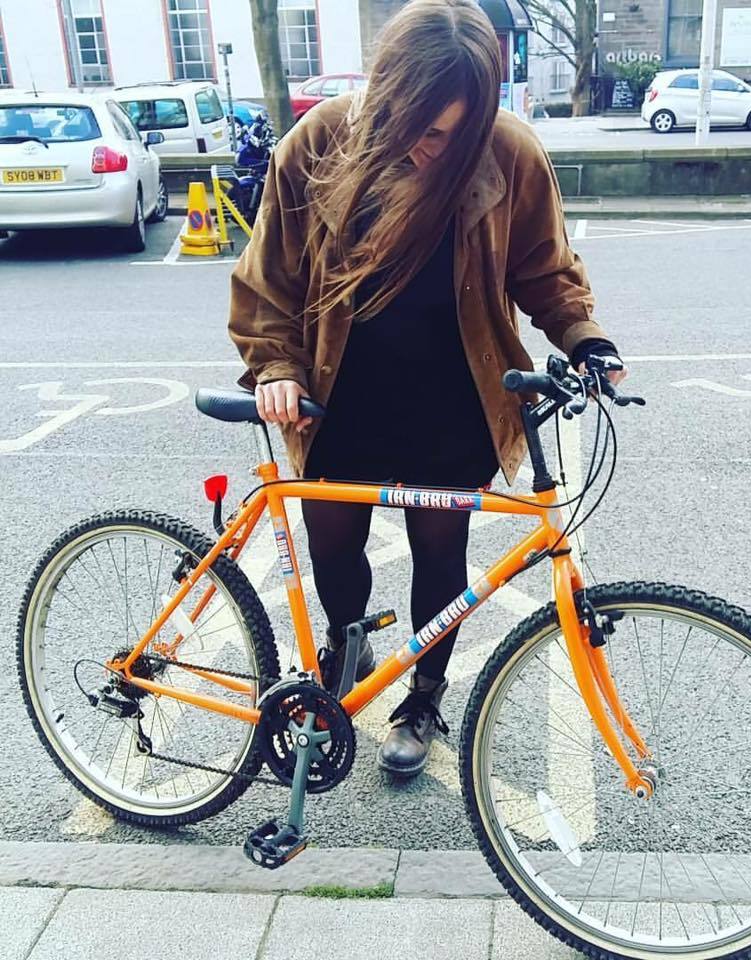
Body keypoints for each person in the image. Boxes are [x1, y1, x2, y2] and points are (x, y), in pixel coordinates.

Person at [228, 0, 625, 778]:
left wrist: (586, 339)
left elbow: (545, 268)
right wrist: (276, 368)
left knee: (439, 557)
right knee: (333, 546)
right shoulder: (317, 144)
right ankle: (350, 645)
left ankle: (424, 697)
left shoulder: (507, 153)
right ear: (386, 94)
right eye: (416, 124)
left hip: (455, 396)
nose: (427, 147)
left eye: (450, 132)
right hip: (339, 394)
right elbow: (268, 280)